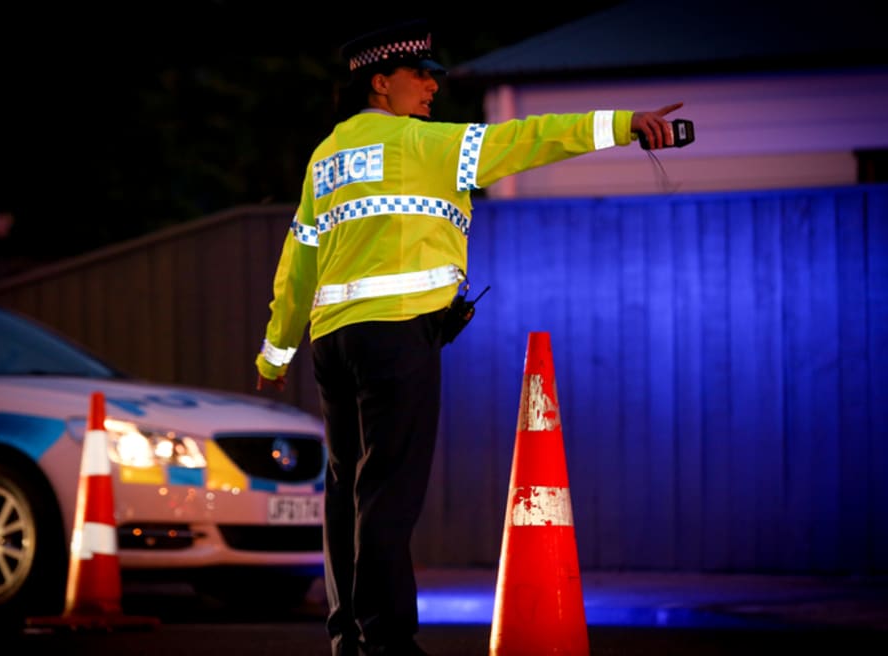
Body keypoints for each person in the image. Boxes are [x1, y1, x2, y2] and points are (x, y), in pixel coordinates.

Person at [255, 18, 685, 656]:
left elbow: (300, 262)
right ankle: (390, 641)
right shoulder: (423, 145)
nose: (432, 86)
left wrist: (274, 352)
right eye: (419, 76)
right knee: (388, 495)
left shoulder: (326, 157)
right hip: (398, 337)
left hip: (332, 344)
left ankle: (348, 635)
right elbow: (531, 137)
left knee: (345, 492)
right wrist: (623, 124)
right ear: (380, 83)